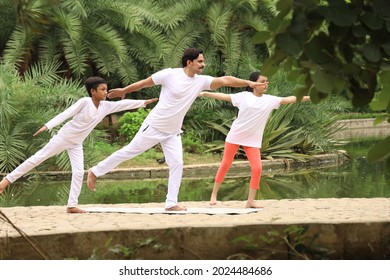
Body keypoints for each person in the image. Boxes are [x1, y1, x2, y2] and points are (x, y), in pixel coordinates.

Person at [86, 47, 265, 211]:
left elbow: (225, 80)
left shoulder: (201, 81)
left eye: (203, 61)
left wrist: (248, 83)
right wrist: (124, 90)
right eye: (200, 61)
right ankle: (95, 171)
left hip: (172, 132)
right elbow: (144, 83)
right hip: (155, 125)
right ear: (190, 62)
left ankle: (171, 203)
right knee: (129, 152)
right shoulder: (169, 75)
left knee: (177, 163)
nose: (204, 64)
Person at [0, 77, 157, 213]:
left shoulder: (105, 106)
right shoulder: (84, 102)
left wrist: (143, 102)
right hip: (63, 137)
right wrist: (47, 126)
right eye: (102, 89)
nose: (106, 92)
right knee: (37, 158)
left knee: (78, 172)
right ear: (92, 91)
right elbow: (66, 114)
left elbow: (124, 105)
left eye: (106, 89)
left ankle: (72, 205)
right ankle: (6, 181)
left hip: (76, 143)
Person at [200, 71, 311, 208]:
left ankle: (250, 201)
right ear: (253, 84)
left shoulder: (270, 100)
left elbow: (290, 99)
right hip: (236, 135)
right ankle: (214, 194)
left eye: (267, 81)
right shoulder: (244, 96)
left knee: (257, 168)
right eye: (262, 81)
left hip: (252, 139)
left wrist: (310, 97)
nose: (266, 84)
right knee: (226, 164)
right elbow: (224, 96)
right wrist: (205, 93)